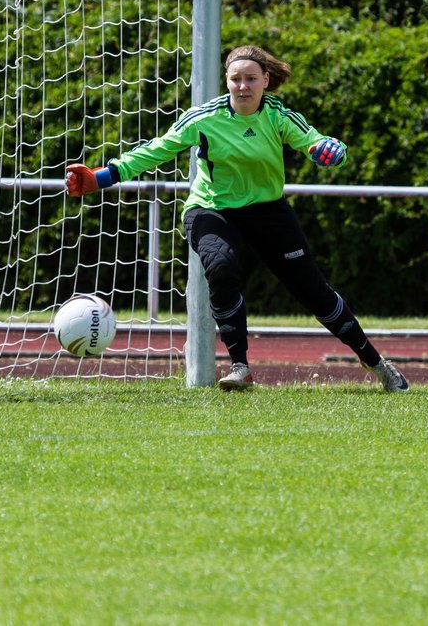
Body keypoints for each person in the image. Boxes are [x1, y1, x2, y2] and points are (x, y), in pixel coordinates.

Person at [65, 44, 408, 392]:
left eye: (250, 79)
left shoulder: (277, 115)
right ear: (226, 82)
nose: (243, 86)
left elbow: (314, 141)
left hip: (267, 210)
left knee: (313, 292)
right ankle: (240, 366)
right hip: (211, 208)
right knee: (221, 267)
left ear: (265, 81)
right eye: (236, 79)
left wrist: (330, 150)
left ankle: (377, 363)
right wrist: (99, 177)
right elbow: (155, 150)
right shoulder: (204, 118)